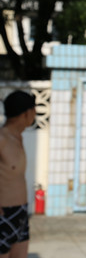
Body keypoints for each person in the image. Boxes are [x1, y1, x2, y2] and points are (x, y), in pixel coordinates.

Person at [0, 90, 36, 258]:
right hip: (3, 214)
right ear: (26, 113)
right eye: (34, 111)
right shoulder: (2, 138)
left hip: (20, 213)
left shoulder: (18, 138)